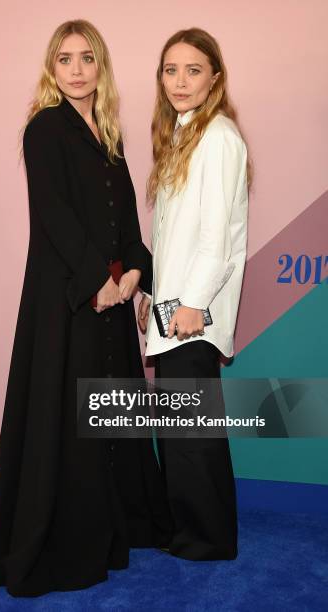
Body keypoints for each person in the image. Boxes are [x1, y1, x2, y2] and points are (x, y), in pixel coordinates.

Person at [0, 19, 171, 597]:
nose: (77, 69)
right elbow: (54, 217)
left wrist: (135, 273)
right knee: (71, 416)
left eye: (87, 58)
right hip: (67, 301)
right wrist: (98, 284)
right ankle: (73, 533)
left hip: (110, 298)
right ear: (52, 69)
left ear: (101, 67)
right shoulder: (44, 129)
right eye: (66, 59)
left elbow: (129, 226)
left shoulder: (109, 138)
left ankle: (124, 519)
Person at [138, 27, 250, 560]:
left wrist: (190, 306)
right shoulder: (182, 134)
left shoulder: (220, 137)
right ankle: (189, 529)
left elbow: (217, 241)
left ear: (215, 79)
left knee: (192, 433)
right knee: (181, 429)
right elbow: (173, 238)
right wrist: (155, 297)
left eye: (193, 70)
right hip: (174, 306)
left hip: (192, 312)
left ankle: (206, 539)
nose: (179, 81)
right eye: (170, 70)